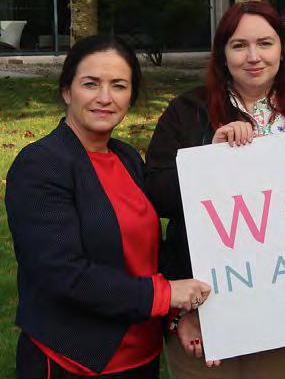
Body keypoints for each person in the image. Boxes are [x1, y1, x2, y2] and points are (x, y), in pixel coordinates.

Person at [145, 1, 285, 378]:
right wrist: (208, 162)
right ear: (223, 54)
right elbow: (155, 194)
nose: (253, 56)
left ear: (283, 49)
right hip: (204, 308)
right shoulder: (187, 111)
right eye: (239, 45)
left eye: (265, 43)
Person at [5, 35, 211, 379]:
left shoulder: (126, 157)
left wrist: (176, 315)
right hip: (75, 360)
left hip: (141, 354)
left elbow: (147, 252)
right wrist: (164, 294)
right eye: (91, 84)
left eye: (118, 85)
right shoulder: (41, 165)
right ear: (67, 91)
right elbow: (61, 274)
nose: (105, 97)